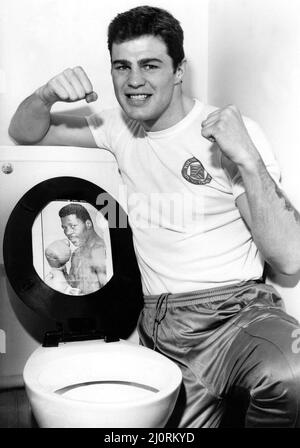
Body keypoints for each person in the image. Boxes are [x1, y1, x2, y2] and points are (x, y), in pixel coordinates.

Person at [8, 5, 300, 427]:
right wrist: (45, 95)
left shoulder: (230, 134)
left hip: (237, 315)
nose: (134, 81)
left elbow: (289, 258)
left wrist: (250, 161)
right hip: (161, 324)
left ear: (179, 70)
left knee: (292, 374)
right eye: (122, 66)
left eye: (150, 65)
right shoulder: (118, 127)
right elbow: (25, 131)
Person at [58, 203, 107, 294]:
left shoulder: (100, 251)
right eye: (64, 228)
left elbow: (109, 294)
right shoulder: (76, 253)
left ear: (88, 224)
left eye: (73, 226)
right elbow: (72, 286)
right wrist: (60, 268)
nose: (67, 232)